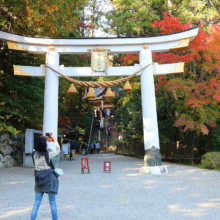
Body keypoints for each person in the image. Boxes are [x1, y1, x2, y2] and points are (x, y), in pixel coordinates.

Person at [31, 134, 60, 220]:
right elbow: (58, 150)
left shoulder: (33, 154)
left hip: (38, 180)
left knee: (36, 203)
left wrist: (41, 138)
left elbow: (36, 147)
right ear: (45, 145)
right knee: (52, 202)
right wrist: (54, 140)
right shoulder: (48, 154)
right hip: (49, 180)